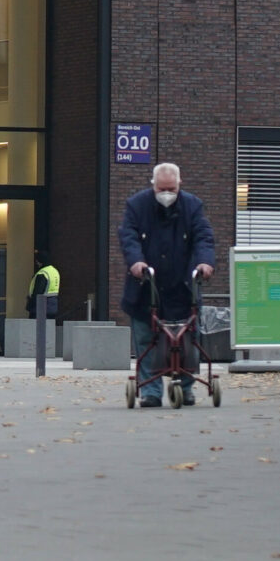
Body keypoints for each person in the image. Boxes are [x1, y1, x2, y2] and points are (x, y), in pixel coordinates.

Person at [118, 162, 217, 408]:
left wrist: (204, 263)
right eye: (162, 188)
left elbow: (203, 237)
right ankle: (151, 391)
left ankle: (186, 386)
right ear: (153, 185)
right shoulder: (137, 206)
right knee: (146, 340)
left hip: (181, 287)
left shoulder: (192, 206)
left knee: (188, 340)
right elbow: (128, 236)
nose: (166, 194)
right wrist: (136, 261)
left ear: (179, 184)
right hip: (146, 286)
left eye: (171, 189)